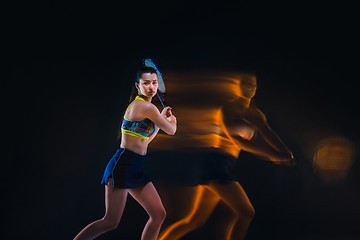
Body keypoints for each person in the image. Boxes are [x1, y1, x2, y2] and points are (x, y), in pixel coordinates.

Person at [155, 72, 294, 240]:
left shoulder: (255, 114)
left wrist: (285, 151)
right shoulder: (228, 110)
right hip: (214, 164)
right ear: (237, 87)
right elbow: (237, 141)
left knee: (195, 220)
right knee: (246, 212)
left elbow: (269, 134)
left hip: (223, 165)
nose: (249, 88)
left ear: (255, 89)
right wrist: (273, 154)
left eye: (252, 85)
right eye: (245, 85)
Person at [73, 66, 177, 240]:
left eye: (154, 82)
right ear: (138, 86)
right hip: (122, 166)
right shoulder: (143, 106)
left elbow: (145, 141)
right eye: (146, 83)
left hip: (136, 166)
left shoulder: (145, 108)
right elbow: (172, 131)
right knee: (110, 221)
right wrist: (172, 121)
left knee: (158, 214)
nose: (151, 87)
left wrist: (159, 120)